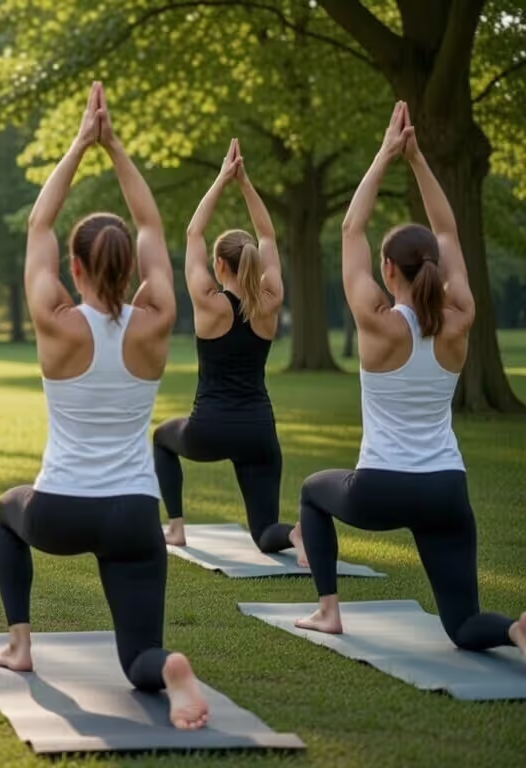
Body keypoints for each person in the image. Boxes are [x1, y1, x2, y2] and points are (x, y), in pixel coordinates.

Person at [0, 82, 209, 730]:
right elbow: (151, 225)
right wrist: (117, 152)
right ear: (127, 268)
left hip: (59, 511)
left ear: (76, 268)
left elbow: (39, 225)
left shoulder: (58, 323)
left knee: (6, 511)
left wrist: (83, 142)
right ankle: (165, 667)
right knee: (137, 651)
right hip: (134, 516)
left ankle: (20, 645)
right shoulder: (156, 318)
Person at [294, 101, 526, 659]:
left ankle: (329, 612)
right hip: (447, 488)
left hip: (381, 491)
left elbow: (351, 227)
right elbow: (445, 227)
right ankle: (515, 629)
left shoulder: (378, 325)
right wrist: (420, 161)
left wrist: (385, 154)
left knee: (311, 492)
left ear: (387, 270)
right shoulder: (460, 318)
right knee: (464, 624)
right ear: (438, 271)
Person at [153, 139, 301, 556]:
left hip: (209, 431)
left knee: (163, 438)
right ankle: (294, 533)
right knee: (265, 532)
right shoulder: (270, 301)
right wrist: (246, 183)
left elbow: (193, 231)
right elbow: (268, 233)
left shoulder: (209, 301)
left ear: (219, 265)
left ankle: (176, 529)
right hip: (259, 430)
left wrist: (222, 178)